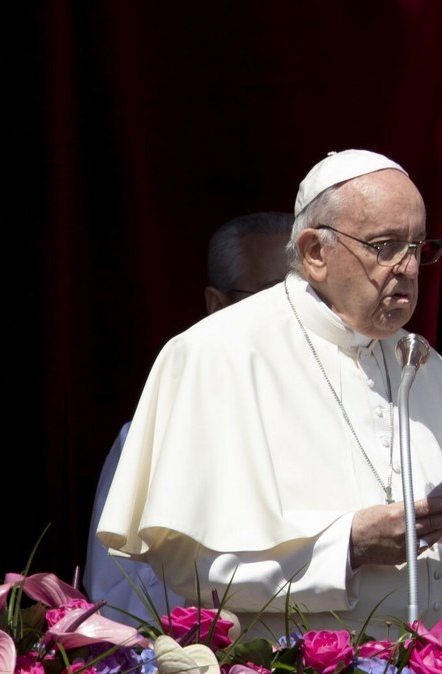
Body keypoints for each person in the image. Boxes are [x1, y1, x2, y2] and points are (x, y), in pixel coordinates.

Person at [96, 149, 442, 636]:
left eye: (419, 247)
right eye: (386, 246)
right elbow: (187, 564)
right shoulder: (217, 354)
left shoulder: (428, 369)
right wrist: (347, 546)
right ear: (314, 252)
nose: (409, 269)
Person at [85, 211, 294, 622]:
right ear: (217, 306)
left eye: (309, 301)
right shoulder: (154, 441)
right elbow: (112, 612)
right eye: (274, 300)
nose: (295, 323)